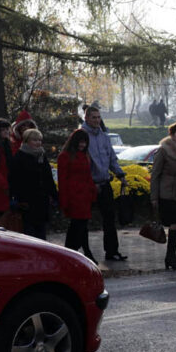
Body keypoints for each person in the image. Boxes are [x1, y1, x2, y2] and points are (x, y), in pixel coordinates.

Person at [82, 105, 129, 261]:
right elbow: (80, 164)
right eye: (93, 117)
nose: (96, 120)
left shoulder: (104, 137)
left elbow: (112, 159)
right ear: (86, 118)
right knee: (83, 221)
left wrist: (120, 175)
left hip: (104, 183)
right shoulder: (81, 136)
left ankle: (112, 251)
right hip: (88, 186)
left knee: (109, 218)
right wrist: (89, 182)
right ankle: (84, 253)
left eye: (98, 117)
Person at [151, 123, 176, 270]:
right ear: (172, 135)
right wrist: (154, 197)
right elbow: (155, 174)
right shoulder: (163, 150)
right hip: (166, 191)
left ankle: (171, 256)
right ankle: (171, 256)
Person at [9, 129, 58, 240]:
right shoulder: (19, 157)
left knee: (42, 233)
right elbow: (14, 180)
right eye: (35, 140)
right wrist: (16, 199)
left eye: (40, 140)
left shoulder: (41, 155)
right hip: (27, 202)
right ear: (27, 141)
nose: (38, 143)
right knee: (29, 235)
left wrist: (54, 195)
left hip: (42, 201)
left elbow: (48, 178)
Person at [58, 129, 98, 263]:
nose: (82, 145)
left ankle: (80, 251)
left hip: (84, 195)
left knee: (82, 225)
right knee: (77, 225)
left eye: (85, 142)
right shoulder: (65, 156)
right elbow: (62, 179)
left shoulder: (84, 156)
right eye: (80, 142)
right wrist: (64, 200)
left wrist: (92, 192)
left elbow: (88, 176)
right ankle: (74, 251)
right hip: (74, 196)